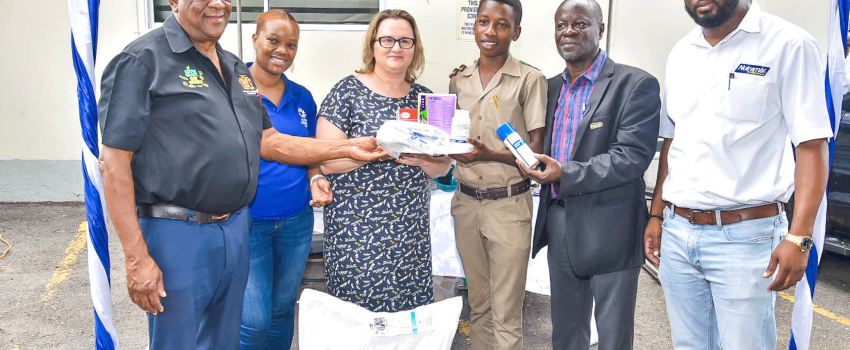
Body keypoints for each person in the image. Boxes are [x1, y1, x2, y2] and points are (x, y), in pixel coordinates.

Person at [97, 0, 385, 348]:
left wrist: (345, 148)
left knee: (225, 339)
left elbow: (270, 140)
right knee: (179, 341)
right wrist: (136, 257)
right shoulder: (142, 61)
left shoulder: (234, 68)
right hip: (178, 233)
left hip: (235, 228)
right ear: (173, 1)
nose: (218, 3)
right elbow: (114, 164)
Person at [644, 0, 832, 348]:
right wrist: (657, 213)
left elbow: (812, 145)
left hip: (746, 239)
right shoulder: (682, 52)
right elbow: (672, 140)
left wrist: (799, 237)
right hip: (678, 233)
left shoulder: (789, 44)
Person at [517, 0, 660, 349]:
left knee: (612, 336)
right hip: (561, 223)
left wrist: (563, 173)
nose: (568, 31)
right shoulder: (549, 88)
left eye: (580, 24)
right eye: (561, 25)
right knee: (566, 332)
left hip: (612, 230)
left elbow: (630, 158)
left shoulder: (635, 84)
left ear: (600, 29)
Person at [316, 9, 451, 312]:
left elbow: (443, 167)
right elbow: (326, 161)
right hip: (356, 231)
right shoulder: (346, 92)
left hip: (408, 232)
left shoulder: (426, 100)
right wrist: (372, 153)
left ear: (415, 49)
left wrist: (420, 160)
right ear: (373, 45)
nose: (396, 48)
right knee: (356, 320)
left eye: (405, 41)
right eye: (387, 39)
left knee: (407, 320)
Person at [447, 1, 546, 349]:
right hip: (466, 203)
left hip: (508, 206)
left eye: (501, 25)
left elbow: (533, 155)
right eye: (484, 22)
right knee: (478, 306)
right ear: (474, 26)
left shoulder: (530, 80)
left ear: (515, 32)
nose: (490, 31)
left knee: (506, 314)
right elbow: (450, 134)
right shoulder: (459, 79)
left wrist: (487, 154)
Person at [239, 9, 330, 350]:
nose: (282, 50)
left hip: (296, 222)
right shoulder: (235, 91)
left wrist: (316, 177)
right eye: (273, 40)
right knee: (254, 319)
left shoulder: (302, 96)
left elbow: (309, 152)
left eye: (291, 44)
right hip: (249, 222)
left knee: (281, 311)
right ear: (255, 40)